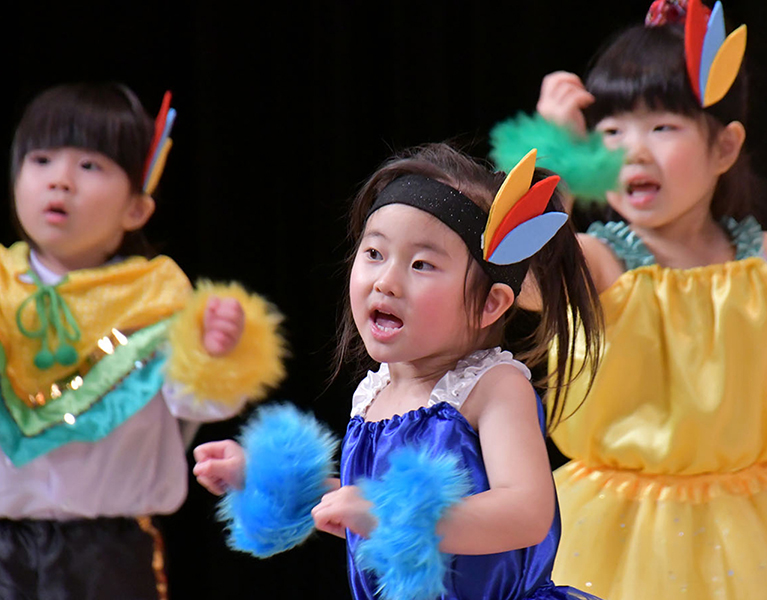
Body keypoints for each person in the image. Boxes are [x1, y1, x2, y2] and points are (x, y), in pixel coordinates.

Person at [194, 142, 606, 599]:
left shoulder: (494, 387)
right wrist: (264, 480)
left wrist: (387, 513)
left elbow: (526, 513)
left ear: (490, 303)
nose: (386, 281)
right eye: (374, 253)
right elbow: (355, 508)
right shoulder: (375, 393)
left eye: (421, 264)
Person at [518, 0, 767, 597]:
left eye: (662, 126)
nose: (633, 150)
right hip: (615, 530)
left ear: (724, 148)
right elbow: (514, 281)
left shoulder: (758, 264)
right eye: (610, 131)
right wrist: (552, 160)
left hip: (748, 519)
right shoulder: (598, 262)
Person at [0, 82, 285, 599]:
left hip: (108, 553)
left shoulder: (156, 300)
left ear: (136, 207)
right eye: (41, 160)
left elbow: (198, 402)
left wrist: (215, 352)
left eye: (90, 166)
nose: (60, 181)